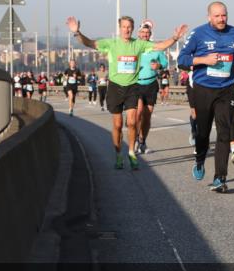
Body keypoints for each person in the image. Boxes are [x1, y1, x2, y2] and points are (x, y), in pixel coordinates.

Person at [67, 15, 186, 169]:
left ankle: (131, 152)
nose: (127, 30)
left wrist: (175, 38)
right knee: (117, 125)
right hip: (115, 87)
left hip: (132, 87)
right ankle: (118, 154)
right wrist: (77, 33)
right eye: (124, 27)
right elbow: (89, 43)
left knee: (131, 122)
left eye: (129, 27)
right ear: (120, 28)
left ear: (132, 28)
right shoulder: (111, 44)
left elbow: (160, 46)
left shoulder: (138, 44)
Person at [177, 2, 234, 193]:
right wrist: (203, 60)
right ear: (209, 17)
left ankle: (220, 178)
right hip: (203, 89)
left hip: (226, 89)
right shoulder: (198, 34)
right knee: (203, 133)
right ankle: (199, 160)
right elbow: (181, 60)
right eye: (217, 16)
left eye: (224, 15)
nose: (221, 19)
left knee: (224, 131)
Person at [135, 22, 169, 154]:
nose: (145, 35)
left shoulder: (156, 48)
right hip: (136, 84)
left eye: (147, 33)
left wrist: (159, 65)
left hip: (150, 84)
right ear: (138, 33)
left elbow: (165, 63)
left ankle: (143, 141)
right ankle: (136, 140)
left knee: (147, 116)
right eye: (142, 32)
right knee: (138, 113)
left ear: (150, 35)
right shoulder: (135, 46)